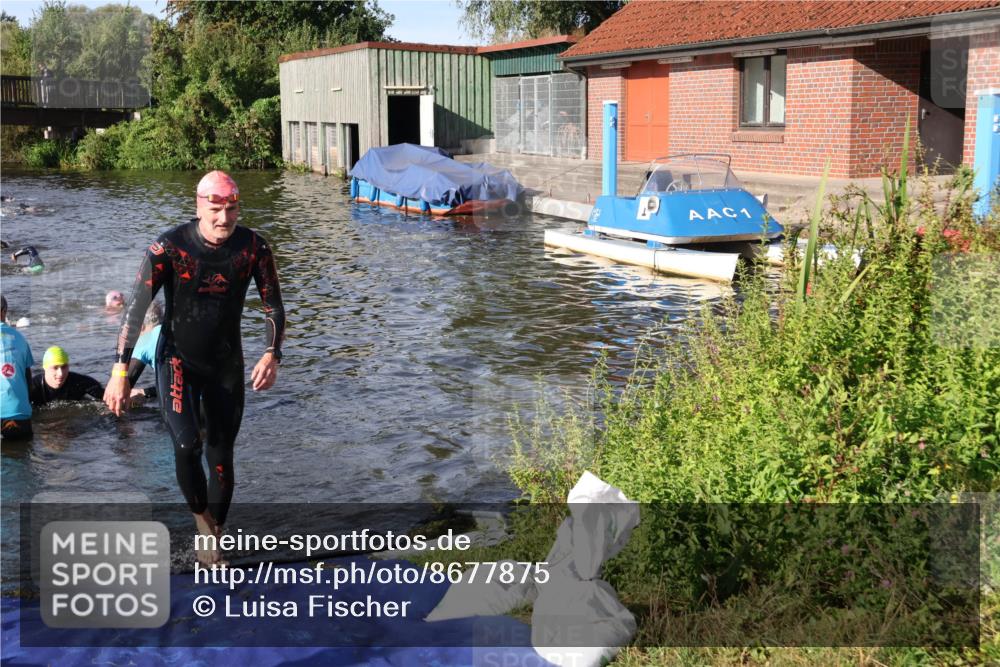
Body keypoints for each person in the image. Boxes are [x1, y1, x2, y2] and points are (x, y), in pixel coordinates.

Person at [103, 170, 286, 565]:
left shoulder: (253, 247)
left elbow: (273, 306)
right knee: (187, 445)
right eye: (216, 209)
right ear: (199, 205)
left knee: (221, 456)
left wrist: (272, 353)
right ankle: (203, 526)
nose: (224, 219)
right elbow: (134, 312)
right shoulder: (168, 248)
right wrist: (120, 372)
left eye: (232, 209)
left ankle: (213, 535)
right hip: (177, 360)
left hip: (226, 364)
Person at [1, 295, 35, 440]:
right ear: (4, 311)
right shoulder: (21, 338)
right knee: (21, 457)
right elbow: (28, 379)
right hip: (20, 412)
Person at [30, 346, 103, 407]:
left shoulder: (79, 383)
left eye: (64, 367)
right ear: (45, 368)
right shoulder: (32, 387)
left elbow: (106, 397)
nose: (61, 373)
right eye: (55, 368)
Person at [126, 302, 163, 403]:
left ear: (140, 326)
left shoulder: (146, 340)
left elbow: (123, 387)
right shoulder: (173, 328)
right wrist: (145, 392)